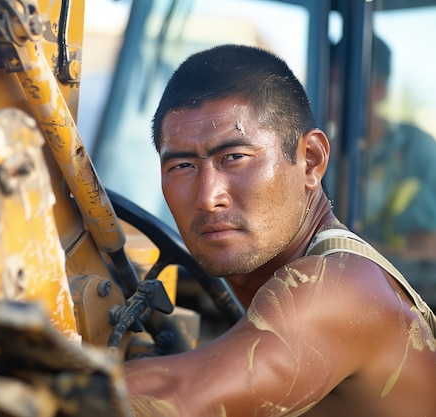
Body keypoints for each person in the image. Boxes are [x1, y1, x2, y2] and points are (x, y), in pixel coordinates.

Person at [123, 44, 436, 416]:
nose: (208, 197)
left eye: (234, 158)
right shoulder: (272, 287)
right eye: (182, 166)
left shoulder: (341, 287)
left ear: (311, 161)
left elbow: (176, 397)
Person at [360, 36, 436, 301]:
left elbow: (428, 250)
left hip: (409, 302)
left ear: (378, 89)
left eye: (339, 81)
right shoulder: (315, 155)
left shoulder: (416, 149)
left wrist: (356, 252)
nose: (332, 91)